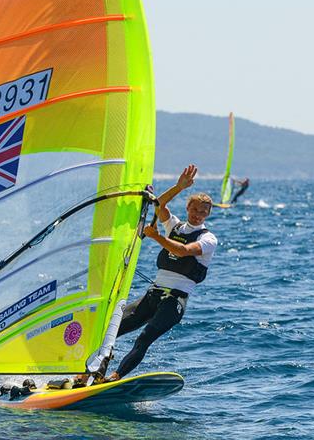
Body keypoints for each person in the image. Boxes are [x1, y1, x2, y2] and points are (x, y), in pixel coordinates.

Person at [88, 164, 217, 384]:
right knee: (110, 329)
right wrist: (179, 186)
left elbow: (182, 251)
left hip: (174, 301)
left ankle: (114, 378)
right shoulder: (174, 226)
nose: (198, 215)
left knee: (144, 338)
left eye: (203, 212)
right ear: (188, 208)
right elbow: (158, 204)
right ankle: (91, 374)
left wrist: (155, 236)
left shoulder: (208, 239)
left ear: (208, 215)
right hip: (152, 295)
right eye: (195, 210)